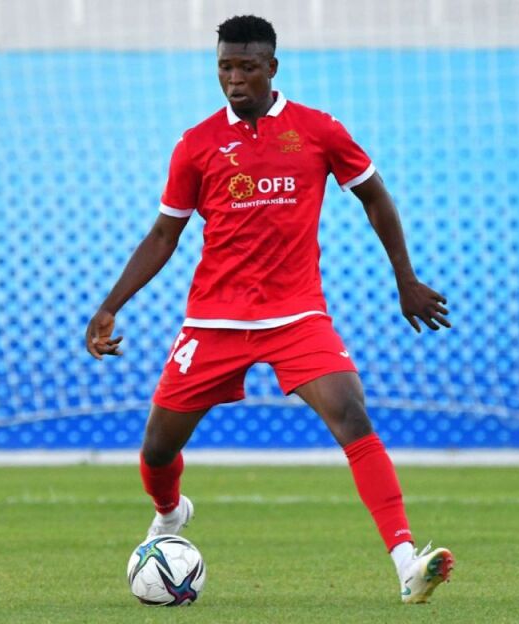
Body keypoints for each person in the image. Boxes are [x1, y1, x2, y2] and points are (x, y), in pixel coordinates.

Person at [85, 14, 454, 604]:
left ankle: (407, 562)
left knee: (352, 416)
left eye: (246, 67)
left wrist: (404, 279)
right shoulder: (197, 144)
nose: (234, 79)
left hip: (296, 316)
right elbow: (163, 234)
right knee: (157, 450)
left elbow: (375, 197)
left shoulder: (318, 130)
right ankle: (171, 512)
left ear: (272, 68)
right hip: (214, 321)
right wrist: (110, 306)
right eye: (225, 67)